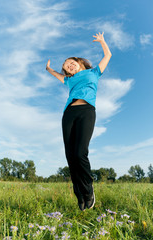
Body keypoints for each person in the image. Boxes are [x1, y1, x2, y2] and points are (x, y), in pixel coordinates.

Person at [46, 32, 112, 211]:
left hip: (86, 111)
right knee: (70, 155)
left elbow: (108, 56)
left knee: (80, 152)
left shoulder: (94, 72)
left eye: (70, 62)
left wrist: (102, 42)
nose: (69, 65)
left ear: (79, 61)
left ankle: (88, 189)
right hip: (69, 113)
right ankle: (79, 194)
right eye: (66, 66)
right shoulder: (69, 80)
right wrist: (49, 69)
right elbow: (56, 75)